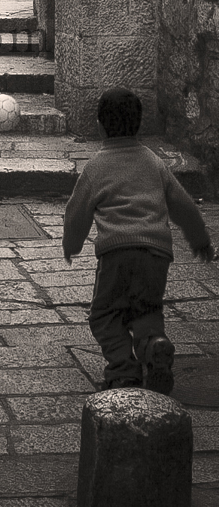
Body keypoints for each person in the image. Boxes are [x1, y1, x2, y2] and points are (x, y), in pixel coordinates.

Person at [62, 86, 215, 394]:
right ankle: (154, 345)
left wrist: (72, 243)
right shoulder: (154, 162)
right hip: (157, 254)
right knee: (146, 310)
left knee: (105, 314)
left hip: (116, 253)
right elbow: (183, 204)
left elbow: (76, 212)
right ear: (140, 124)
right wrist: (199, 238)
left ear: (100, 125)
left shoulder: (96, 167)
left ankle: (122, 369)